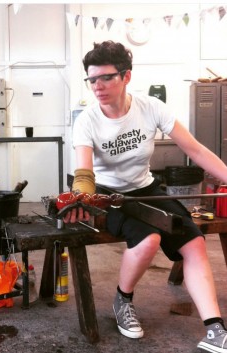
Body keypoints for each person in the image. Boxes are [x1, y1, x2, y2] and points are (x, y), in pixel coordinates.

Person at [66, 40, 227, 353]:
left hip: (147, 188)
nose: (97, 86)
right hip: (109, 195)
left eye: (106, 78)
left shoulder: (151, 107)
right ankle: (122, 300)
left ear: (126, 76)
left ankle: (215, 329)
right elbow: (84, 172)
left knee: (193, 243)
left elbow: (194, 149)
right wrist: (81, 198)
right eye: (92, 79)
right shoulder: (87, 120)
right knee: (149, 240)